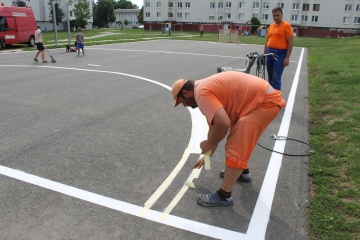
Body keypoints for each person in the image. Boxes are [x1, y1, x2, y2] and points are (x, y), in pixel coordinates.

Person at [171, 71, 286, 207]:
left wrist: (208, 144)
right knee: (236, 135)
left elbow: (223, 124)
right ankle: (242, 173)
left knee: (236, 146)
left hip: (263, 103)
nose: (185, 106)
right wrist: (206, 156)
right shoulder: (202, 88)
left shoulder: (201, 94)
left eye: (182, 102)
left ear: (185, 93)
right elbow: (214, 129)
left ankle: (224, 196)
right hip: (259, 101)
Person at [264, 7, 293, 90]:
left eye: (278, 15)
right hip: (269, 52)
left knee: (276, 77)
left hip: (280, 54)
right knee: (270, 77)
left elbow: (290, 43)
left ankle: (276, 98)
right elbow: (267, 42)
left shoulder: (286, 26)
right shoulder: (271, 26)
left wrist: (287, 57)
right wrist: (264, 55)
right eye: (274, 16)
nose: (276, 17)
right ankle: (270, 96)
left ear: (282, 15)